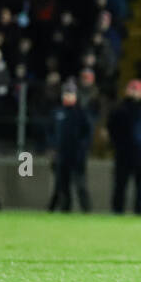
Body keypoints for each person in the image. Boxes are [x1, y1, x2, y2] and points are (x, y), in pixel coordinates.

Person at [108, 78, 141, 214]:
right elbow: (111, 128)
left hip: (140, 153)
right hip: (122, 152)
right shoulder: (119, 109)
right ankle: (117, 211)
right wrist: (117, 144)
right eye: (131, 89)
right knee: (120, 185)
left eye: (136, 89)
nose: (133, 92)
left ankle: (140, 212)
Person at [49, 79, 93, 213]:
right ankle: (65, 211)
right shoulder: (57, 112)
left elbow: (87, 133)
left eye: (70, 94)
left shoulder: (81, 113)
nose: (67, 96)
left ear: (75, 95)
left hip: (77, 156)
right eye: (65, 93)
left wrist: (81, 148)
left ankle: (86, 211)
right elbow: (49, 131)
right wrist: (52, 147)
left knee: (80, 185)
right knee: (63, 186)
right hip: (61, 155)